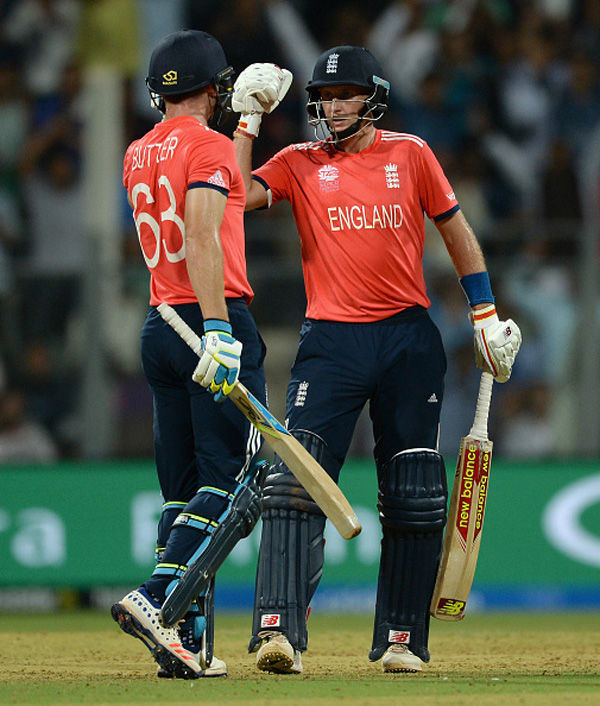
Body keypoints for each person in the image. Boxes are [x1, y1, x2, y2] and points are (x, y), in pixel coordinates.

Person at [232, 46, 521, 674]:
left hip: (407, 340)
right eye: (325, 98)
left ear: (373, 97)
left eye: (346, 95)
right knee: (295, 482)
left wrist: (485, 312)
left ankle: (401, 640)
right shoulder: (297, 162)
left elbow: (454, 228)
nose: (334, 107)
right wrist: (246, 124)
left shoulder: (411, 153)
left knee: (414, 492)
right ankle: (277, 631)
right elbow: (228, 197)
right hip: (330, 342)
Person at [110, 29, 274, 680]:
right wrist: (219, 330)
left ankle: (185, 643)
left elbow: (218, 191)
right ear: (212, 90)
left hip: (159, 326)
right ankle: (156, 599)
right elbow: (205, 234)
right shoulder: (206, 145)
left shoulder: (136, 152)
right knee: (228, 482)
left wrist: (252, 125)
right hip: (212, 316)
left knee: (182, 492)